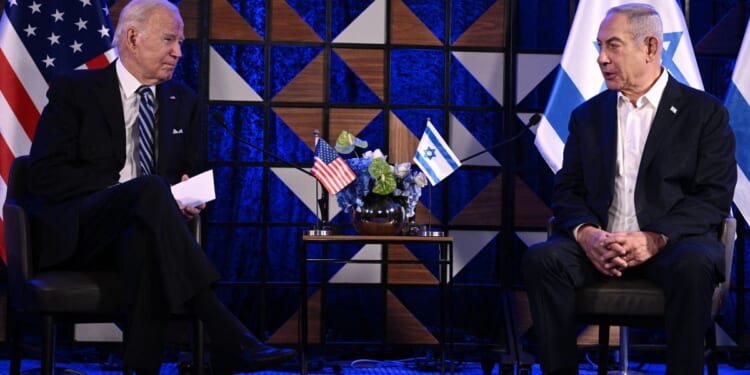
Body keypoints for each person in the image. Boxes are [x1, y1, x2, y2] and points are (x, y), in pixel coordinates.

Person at [24, 0, 295, 374]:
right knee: (149, 190)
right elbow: (44, 175)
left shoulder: (183, 101)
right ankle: (227, 331)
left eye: (180, 42)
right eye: (169, 39)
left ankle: (141, 369)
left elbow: (190, 176)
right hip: (82, 231)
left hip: (147, 231)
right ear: (133, 38)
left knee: (142, 236)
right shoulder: (76, 89)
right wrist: (129, 189)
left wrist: (189, 198)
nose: (179, 52)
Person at [522, 3, 736, 375]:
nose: (601, 59)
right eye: (599, 46)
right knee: (543, 260)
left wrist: (654, 238)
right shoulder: (587, 116)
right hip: (599, 247)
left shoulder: (705, 113)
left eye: (613, 46)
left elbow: (713, 197)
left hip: (673, 246)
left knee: (695, 264)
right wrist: (587, 235)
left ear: (651, 47)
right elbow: (567, 191)